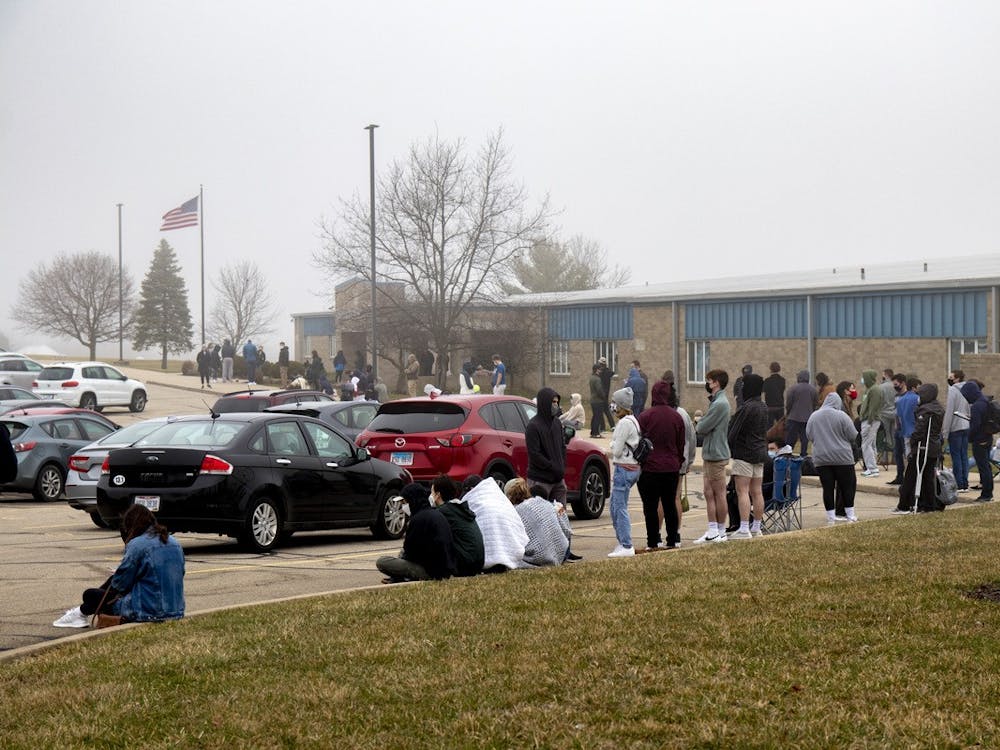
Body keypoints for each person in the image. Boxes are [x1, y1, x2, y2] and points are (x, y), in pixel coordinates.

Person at [53, 505, 185, 628]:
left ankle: (79, 613)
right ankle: (79, 613)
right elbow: (179, 573)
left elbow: (120, 584)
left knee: (90, 595)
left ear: (132, 525)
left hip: (147, 610)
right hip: (176, 610)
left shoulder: (137, 544)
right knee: (106, 588)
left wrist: (120, 575)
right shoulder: (175, 543)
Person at [636, 379, 686, 551]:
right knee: (669, 504)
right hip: (671, 467)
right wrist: (678, 461)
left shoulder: (645, 416)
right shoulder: (676, 417)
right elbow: (681, 443)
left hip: (650, 468)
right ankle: (673, 538)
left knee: (650, 507)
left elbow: (639, 441)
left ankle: (653, 540)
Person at [376, 483, 456, 583]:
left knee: (382, 562)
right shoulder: (435, 514)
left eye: (404, 502)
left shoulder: (418, 519)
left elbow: (410, 552)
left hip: (431, 572)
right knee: (402, 554)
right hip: (443, 569)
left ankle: (401, 577)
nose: (402, 506)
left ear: (412, 500)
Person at [807, 392, 860, 524]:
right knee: (847, 486)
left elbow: (809, 435)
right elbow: (853, 435)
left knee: (827, 488)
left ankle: (831, 516)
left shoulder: (814, 416)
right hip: (842, 458)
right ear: (838, 403)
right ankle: (850, 515)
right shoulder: (842, 416)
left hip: (821, 458)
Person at [727, 373, 769, 539]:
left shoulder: (746, 408)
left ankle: (744, 528)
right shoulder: (763, 407)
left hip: (744, 453)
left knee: (742, 491)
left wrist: (731, 448)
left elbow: (733, 432)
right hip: (760, 453)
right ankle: (756, 527)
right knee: (757, 492)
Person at [893, 384, 947, 513]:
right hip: (934, 448)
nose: (918, 397)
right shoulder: (938, 408)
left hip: (923, 448)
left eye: (920, 394)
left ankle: (904, 505)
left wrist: (913, 442)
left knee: (910, 477)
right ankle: (928, 505)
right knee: (928, 477)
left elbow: (920, 431)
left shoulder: (925, 410)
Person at [461, 474, 529, 572]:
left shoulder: (476, 502)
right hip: (511, 556)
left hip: (484, 560)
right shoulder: (500, 499)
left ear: (471, 489)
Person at [694, 368, 732, 544]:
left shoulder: (720, 404)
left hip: (716, 454)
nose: (707, 384)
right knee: (708, 492)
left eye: (709, 381)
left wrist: (699, 421)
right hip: (710, 453)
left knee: (719, 493)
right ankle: (712, 530)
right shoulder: (715, 402)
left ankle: (721, 531)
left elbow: (702, 428)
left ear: (717, 382)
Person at [504, 479, 570, 567]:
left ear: (508, 496)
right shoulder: (544, 503)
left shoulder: (515, 512)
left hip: (539, 557)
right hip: (560, 554)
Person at [607, 387, 641, 557]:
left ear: (621, 405)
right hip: (632, 468)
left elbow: (617, 450)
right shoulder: (633, 420)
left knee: (619, 507)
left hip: (624, 468)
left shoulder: (624, 423)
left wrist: (612, 444)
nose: (612, 406)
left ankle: (626, 545)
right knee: (614, 506)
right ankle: (621, 542)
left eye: (615, 403)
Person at [431, 474, 484, 577]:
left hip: (464, 564)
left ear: (438, 495)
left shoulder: (443, 512)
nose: (431, 495)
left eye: (432, 492)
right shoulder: (459, 508)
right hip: (477, 562)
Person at [525, 386, 567, 505]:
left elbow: (562, 447)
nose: (556, 405)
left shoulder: (557, 423)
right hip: (540, 481)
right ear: (545, 403)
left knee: (561, 516)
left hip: (558, 480)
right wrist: (551, 466)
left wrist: (562, 466)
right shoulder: (533, 426)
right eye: (553, 402)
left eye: (557, 402)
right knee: (541, 516)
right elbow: (534, 454)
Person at [960, 380, 993, 502]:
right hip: (987, 437)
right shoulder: (985, 401)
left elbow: (976, 425)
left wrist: (969, 437)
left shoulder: (977, 406)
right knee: (986, 466)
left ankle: (986, 494)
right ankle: (988, 492)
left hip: (979, 439)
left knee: (983, 467)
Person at [942, 369, 971, 492]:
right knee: (964, 455)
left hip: (955, 427)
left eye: (951, 377)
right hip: (966, 425)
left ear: (957, 378)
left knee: (956, 456)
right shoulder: (968, 389)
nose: (949, 379)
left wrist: (945, 431)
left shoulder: (953, 390)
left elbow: (949, 411)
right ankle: (965, 482)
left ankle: (959, 483)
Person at [858, 369, 884, 477]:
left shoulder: (875, 390)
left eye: (864, 377)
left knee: (866, 445)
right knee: (870, 444)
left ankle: (873, 468)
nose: (863, 379)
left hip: (870, 421)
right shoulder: (869, 390)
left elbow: (873, 407)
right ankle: (871, 467)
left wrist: (869, 421)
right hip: (868, 420)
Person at [784, 370, 816, 456]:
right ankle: (803, 454)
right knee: (804, 438)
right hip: (807, 418)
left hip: (794, 417)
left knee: (790, 437)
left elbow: (789, 403)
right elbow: (815, 403)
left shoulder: (793, 388)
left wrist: (788, 412)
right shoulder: (813, 389)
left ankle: (788, 453)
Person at [763, 361, 786, 427]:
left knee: (769, 427)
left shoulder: (767, 381)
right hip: (780, 406)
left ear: (770, 369)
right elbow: (782, 389)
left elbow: (763, 391)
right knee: (781, 427)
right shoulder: (783, 380)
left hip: (770, 407)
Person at [597, 356, 616, 430]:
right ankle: (612, 425)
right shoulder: (608, 372)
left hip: (601, 393)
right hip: (606, 394)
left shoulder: (601, 373)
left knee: (601, 411)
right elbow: (612, 372)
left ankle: (602, 427)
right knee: (607, 411)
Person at [588, 364, 606, 437]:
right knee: (598, 417)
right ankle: (596, 433)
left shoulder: (591, 378)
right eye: (599, 369)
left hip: (593, 400)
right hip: (598, 400)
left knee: (595, 416)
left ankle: (593, 431)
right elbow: (599, 390)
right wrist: (603, 396)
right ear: (596, 370)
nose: (600, 371)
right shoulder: (597, 379)